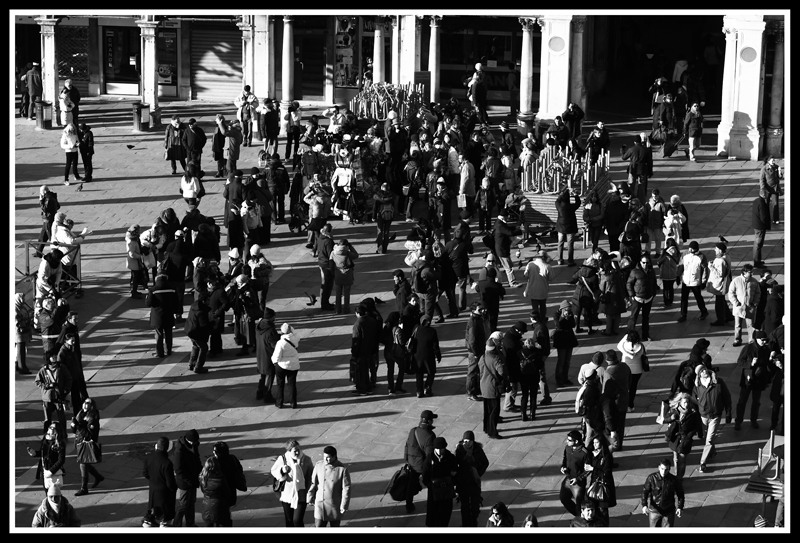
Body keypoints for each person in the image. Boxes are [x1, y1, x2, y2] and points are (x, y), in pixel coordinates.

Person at [693, 366, 732, 473]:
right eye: (701, 371)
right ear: (699, 375)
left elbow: (727, 397)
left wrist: (728, 413)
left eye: (704, 369)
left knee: (709, 440)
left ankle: (702, 463)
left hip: (715, 416)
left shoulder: (718, 382)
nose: (704, 371)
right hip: (703, 416)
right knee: (707, 437)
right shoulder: (697, 385)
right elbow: (694, 398)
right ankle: (712, 452)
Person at [734, 330, 774, 430]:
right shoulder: (748, 348)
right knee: (742, 401)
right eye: (763, 340)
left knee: (756, 401)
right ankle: (738, 421)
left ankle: (753, 420)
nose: (764, 342)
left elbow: (767, 365)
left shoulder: (766, 349)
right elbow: (740, 361)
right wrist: (751, 364)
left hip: (759, 379)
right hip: (748, 379)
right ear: (757, 339)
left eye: (766, 340)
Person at [270, 440, 314, 527]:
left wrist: (310, 492)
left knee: (297, 520)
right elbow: (273, 470)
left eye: (298, 449)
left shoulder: (306, 459)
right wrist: (282, 470)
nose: (297, 452)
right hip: (287, 494)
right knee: (289, 521)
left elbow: (310, 476)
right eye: (295, 450)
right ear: (289, 451)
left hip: (301, 494)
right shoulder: (282, 459)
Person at [306, 445, 351, 528]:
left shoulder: (342, 469)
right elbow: (313, 483)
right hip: (320, 504)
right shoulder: (319, 465)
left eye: (328, 457)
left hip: (334, 505)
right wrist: (310, 496)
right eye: (324, 457)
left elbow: (346, 489)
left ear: (334, 456)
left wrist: (344, 505)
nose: (325, 459)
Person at [403, 410, 437, 514]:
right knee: (431, 483)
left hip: (412, 462)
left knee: (411, 483)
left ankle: (409, 504)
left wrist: (407, 459)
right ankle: (432, 504)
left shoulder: (413, 430)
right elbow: (429, 454)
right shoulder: (430, 435)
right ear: (430, 421)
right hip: (421, 465)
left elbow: (407, 445)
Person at [454, 431, 489, 527]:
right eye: (465, 441)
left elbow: (485, 462)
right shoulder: (459, 450)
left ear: (473, 441)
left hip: (474, 481)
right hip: (463, 481)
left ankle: (474, 520)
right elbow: (455, 464)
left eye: (469, 441)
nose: (467, 443)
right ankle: (465, 525)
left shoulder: (478, 450)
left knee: (475, 506)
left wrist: (478, 473)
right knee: (464, 506)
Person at [421, 436, 458, 527]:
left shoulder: (450, 458)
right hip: (434, 489)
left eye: (441, 448)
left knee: (445, 511)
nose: (439, 451)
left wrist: (452, 481)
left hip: (446, 488)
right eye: (437, 449)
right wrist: (429, 484)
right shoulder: (430, 458)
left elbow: (456, 471)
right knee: (433, 510)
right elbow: (425, 472)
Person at [665, 392, 702, 480]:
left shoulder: (693, 413)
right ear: (680, 402)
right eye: (684, 402)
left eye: (687, 402)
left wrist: (688, 436)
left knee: (682, 459)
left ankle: (679, 478)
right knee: (676, 458)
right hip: (675, 438)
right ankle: (676, 473)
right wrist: (671, 418)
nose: (686, 404)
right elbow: (665, 419)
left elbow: (696, 426)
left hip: (685, 439)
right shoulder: (674, 410)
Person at [143, 436, 178, 527]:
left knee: (152, 512)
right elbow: (170, 482)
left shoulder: (149, 457)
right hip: (164, 494)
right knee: (165, 517)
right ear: (166, 448)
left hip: (153, 490)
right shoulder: (167, 463)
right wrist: (175, 487)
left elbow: (145, 473)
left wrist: (153, 480)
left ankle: (149, 524)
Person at [34, 355, 72, 435]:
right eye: (52, 356)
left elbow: (68, 379)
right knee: (47, 419)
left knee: (61, 418)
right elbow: (37, 382)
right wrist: (46, 386)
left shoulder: (62, 368)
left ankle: (63, 435)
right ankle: (46, 435)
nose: (54, 357)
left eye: (55, 355)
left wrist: (66, 389)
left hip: (59, 396)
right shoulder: (43, 370)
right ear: (48, 358)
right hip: (47, 398)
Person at [170, 429, 202, 527]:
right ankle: (176, 524)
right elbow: (178, 470)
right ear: (188, 440)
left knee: (191, 502)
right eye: (194, 441)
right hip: (185, 483)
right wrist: (189, 481)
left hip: (193, 479)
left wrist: (199, 469)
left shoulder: (193, 445)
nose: (195, 443)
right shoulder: (179, 452)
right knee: (183, 504)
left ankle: (190, 523)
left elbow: (196, 458)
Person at [641, 458, 684, 527]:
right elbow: (645, 492)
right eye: (662, 469)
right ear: (659, 468)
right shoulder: (652, 478)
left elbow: (680, 494)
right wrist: (644, 505)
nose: (663, 472)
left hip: (668, 510)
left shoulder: (674, 480)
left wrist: (680, 507)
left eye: (666, 470)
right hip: (655, 510)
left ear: (669, 469)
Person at [27, 420, 67, 493]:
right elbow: (43, 453)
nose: (49, 428)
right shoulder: (45, 440)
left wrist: (51, 471)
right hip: (44, 470)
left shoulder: (60, 444)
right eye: (49, 427)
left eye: (51, 428)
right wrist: (35, 453)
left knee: (54, 494)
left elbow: (61, 460)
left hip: (53, 471)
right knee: (47, 492)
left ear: (56, 432)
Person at [479, 334, 506, 439]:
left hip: (484, 386)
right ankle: (492, 432)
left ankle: (486, 428)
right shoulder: (496, 358)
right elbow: (502, 371)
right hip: (493, 387)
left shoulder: (483, 357)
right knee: (494, 411)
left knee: (487, 410)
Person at [727, 264, 760, 347]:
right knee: (738, 325)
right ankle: (737, 339)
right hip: (739, 308)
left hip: (750, 307)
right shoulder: (736, 280)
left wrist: (755, 302)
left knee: (751, 325)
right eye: (750, 272)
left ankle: (751, 340)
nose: (752, 273)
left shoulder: (754, 281)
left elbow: (758, 293)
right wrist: (736, 302)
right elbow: (731, 293)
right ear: (744, 272)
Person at [676, 240, 709, 322]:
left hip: (695, 281)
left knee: (698, 298)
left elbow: (705, 270)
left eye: (692, 249)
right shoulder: (685, 254)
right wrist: (678, 275)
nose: (690, 250)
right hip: (686, 280)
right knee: (684, 298)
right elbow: (681, 266)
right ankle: (683, 315)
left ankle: (704, 311)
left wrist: (704, 281)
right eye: (690, 248)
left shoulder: (701, 257)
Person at [627, 253, 657, 340]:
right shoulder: (634, 272)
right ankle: (630, 334)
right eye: (643, 263)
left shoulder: (651, 271)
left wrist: (653, 293)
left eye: (647, 263)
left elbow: (654, 283)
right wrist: (632, 295)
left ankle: (645, 335)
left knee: (646, 318)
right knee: (633, 317)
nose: (645, 265)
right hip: (637, 298)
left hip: (648, 298)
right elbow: (629, 284)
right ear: (640, 262)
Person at [351, 305, 379, 396]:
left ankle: (362, 389)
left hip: (361, 351)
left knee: (361, 370)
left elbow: (356, 340)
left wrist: (354, 352)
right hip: (371, 349)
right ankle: (368, 387)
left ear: (357, 313)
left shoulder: (358, 324)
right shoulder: (372, 320)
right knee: (367, 368)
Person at [465, 302, 490, 401]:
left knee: (477, 371)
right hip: (475, 351)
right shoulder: (473, 322)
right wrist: (475, 353)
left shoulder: (479, 319)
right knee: (472, 371)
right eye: (480, 309)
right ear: (473, 310)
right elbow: (472, 340)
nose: (483, 311)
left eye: (483, 309)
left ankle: (475, 389)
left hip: (479, 349)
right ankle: (470, 392)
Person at [569, 257, 600, 335]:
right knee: (588, 312)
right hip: (587, 295)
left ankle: (577, 327)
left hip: (578, 293)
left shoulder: (581, 270)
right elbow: (595, 288)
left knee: (577, 312)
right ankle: (590, 329)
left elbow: (573, 277)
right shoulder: (594, 276)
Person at [560, 429, 588, 517]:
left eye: (569, 440)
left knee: (580, 505)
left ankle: (581, 520)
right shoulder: (567, 448)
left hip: (578, 483)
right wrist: (563, 467)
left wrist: (578, 479)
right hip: (568, 478)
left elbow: (588, 470)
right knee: (563, 498)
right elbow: (565, 459)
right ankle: (578, 516)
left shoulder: (584, 453)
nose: (566, 441)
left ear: (576, 441)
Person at [492, 212, 522, 288]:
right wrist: (520, 231)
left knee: (508, 266)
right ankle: (512, 282)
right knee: (508, 267)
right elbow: (509, 232)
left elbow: (507, 228)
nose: (507, 218)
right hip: (502, 249)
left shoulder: (498, 222)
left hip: (501, 249)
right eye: (506, 217)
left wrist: (515, 227)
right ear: (503, 217)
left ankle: (508, 279)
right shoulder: (500, 225)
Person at [553, 300, 579, 387]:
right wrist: (563, 317)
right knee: (561, 361)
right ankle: (559, 379)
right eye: (567, 309)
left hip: (569, 339)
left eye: (569, 309)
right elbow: (558, 325)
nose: (568, 310)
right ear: (563, 308)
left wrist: (569, 318)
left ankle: (565, 378)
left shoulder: (570, 314)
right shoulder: (556, 315)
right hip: (561, 340)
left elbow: (573, 325)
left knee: (567, 361)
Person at [199, 456, 230, 527]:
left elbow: (203, 490)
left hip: (206, 506)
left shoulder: (202, 478)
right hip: (219, 507)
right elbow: (227, 493)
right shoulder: (221, 479)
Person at [618, 330, 645, 412]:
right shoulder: (640, 347)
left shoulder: (623, 346)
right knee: (633, 387)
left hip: (625, 369)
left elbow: (618, 345)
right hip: (637, 370)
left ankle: (622, 403)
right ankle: (630, 405)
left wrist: (626, 335)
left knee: (624, 387)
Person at [332, 238, 359, 315]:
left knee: (338, 293)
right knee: (347, 292)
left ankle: (338, 309)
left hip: (338, 273)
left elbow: (331, 262)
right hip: (347, 274)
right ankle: (346, 309)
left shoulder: (333, 252)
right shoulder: (348, 253)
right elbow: (356, 255)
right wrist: (351, 247)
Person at [554, 188, 581, 266]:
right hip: (570, 228)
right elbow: (578, 203)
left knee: (560, 243)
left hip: (561, 227)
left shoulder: (559, 206)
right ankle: (570, 261)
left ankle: (560, 259)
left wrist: (562, 195)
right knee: (570, 244)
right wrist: (575, 194)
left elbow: (557, 201)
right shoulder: (571, 207)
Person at [523, 250, 553, 316]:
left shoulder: (530, 264)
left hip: (533, 289)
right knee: (543, 305)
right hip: (543, 289)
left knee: (534, 307)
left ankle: (536, 319)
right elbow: (551, 278)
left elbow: (526, 275)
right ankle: (542, 318)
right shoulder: (547, 266)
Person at [656, 237, 681, 308]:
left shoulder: (665, 252)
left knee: (666, 288)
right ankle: (670, 301)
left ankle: (666, 302)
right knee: (671, 288)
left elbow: (659, 261)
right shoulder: (677, 252)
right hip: (673, 273)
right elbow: (678, 261)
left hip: (665, 272)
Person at [758, 155, 782, 224]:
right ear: (768, 161)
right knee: (766, 204)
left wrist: (780, 172)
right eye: (772, 160)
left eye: (774, 160)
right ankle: (766, 218)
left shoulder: (776, 167)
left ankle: (775, 219)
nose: (773, 161)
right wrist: (762, 188)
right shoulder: (764, 169)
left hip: (775, 188)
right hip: (767, 189)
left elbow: (780, 177)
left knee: (775, 204)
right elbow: (762, 179)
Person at [751, 188, 771, 268]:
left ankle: (757, 260)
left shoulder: (756, 201)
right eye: (766, 194)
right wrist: (767, 224)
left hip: (756, 225)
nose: (767, 195)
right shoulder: (762, 203)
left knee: (757, 243)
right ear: (763, 194)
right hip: (760, 226)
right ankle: (757, 262)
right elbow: (763, 217)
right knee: (758, 244)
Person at [15, 293, 34, 374]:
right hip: (19, 332)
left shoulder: (21, 306)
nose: (23, 300)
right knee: (20, 350)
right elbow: (16, 321)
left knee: (21, 349)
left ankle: (20, 365)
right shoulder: (15, 308)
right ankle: (22, 367)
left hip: (23, 331)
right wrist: (25, 322)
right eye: (22, 298)